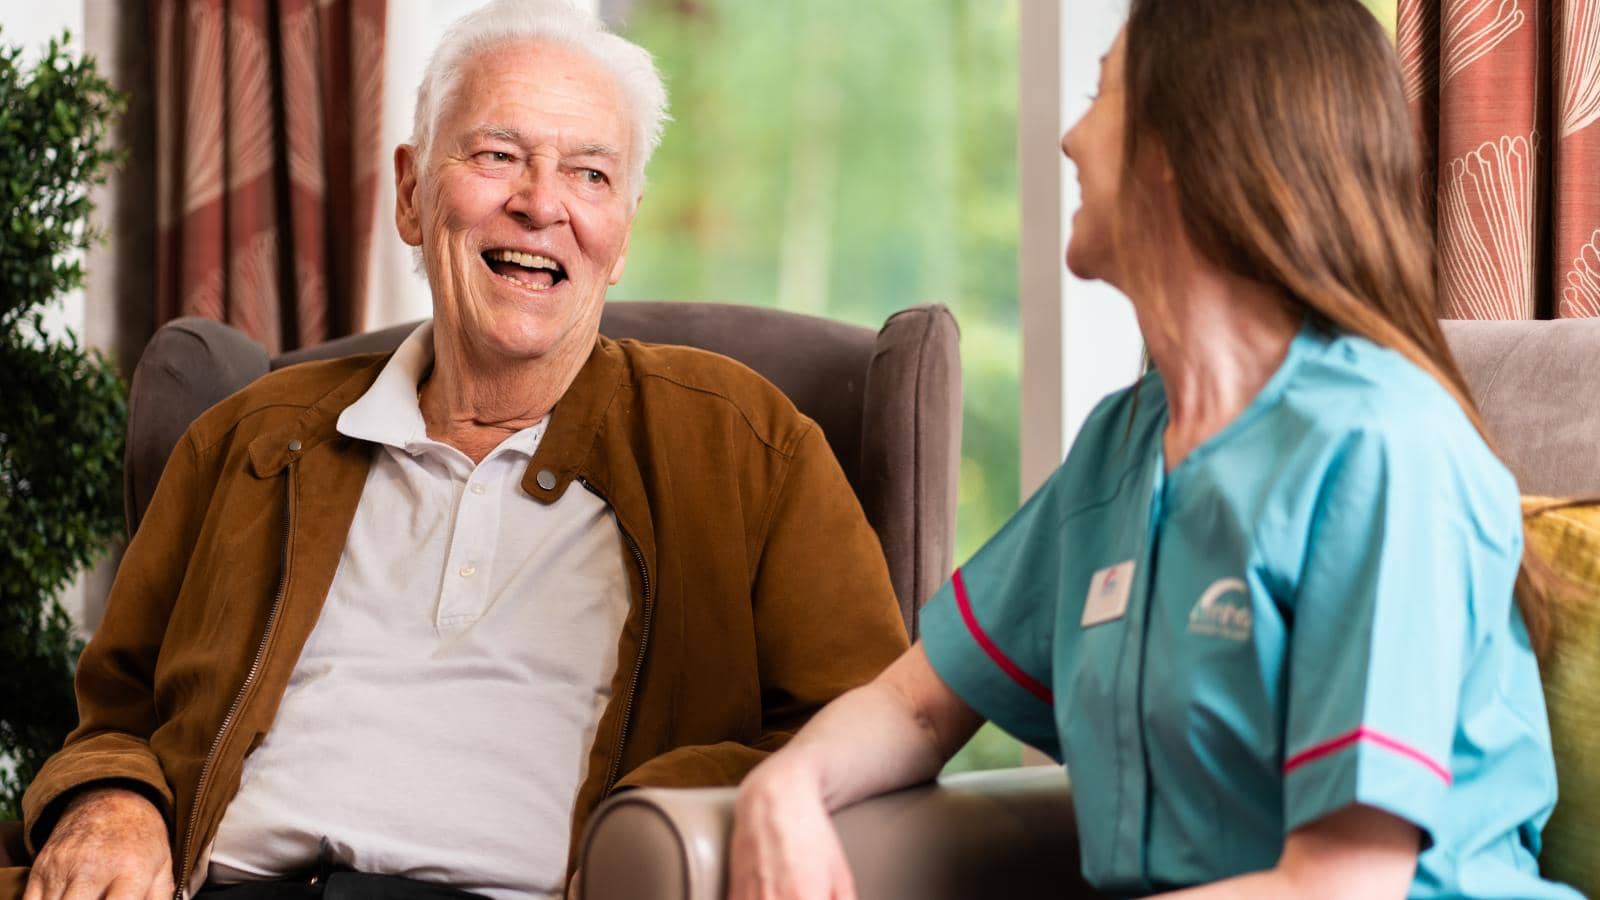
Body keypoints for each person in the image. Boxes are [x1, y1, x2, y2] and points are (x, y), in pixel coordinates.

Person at [14, 2, 909, 898]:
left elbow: (860, 727)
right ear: (411, 192)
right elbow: (117, 712)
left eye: (590, 174)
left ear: (624, 229)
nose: (542, 204)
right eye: (498, 156)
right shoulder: (251, 438)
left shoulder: (743, 445)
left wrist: (649, 821)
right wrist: (111, 801)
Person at [728, 1, 1581, 898]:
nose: (1068, 137)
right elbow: (913, 704)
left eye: (1103, 97)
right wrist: (786, 784)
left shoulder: (1384, 448)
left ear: (1183, 150)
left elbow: (1339, 884)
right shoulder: (1120, 447)